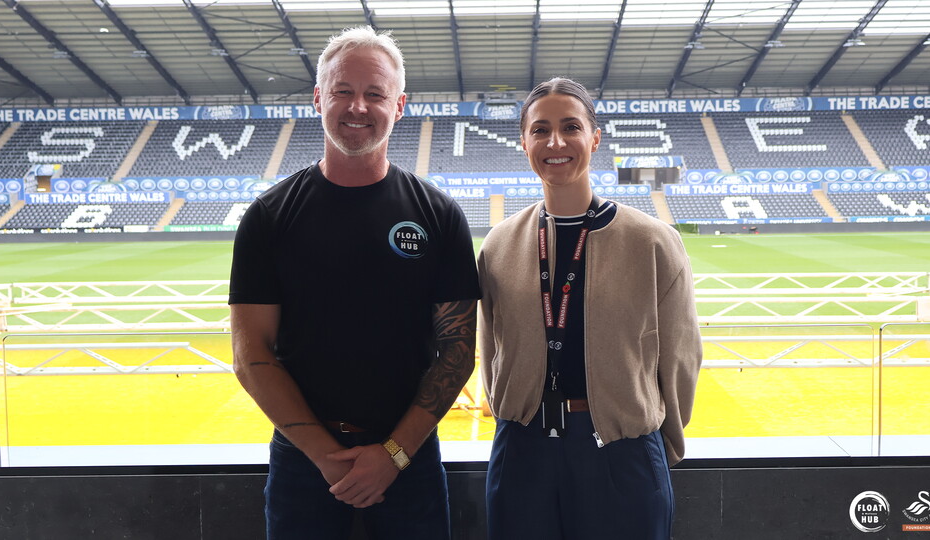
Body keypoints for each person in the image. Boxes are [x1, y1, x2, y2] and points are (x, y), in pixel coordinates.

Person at [229, 26, 480, 540]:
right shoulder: (268, 217)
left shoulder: (439, 216)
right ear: (319, 97)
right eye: (343, 90)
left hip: (410, 454)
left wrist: (393, 455)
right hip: (304, 461)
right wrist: (325, 456)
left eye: (375, 93)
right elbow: (250, 354)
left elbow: (458, 349)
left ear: (400, 104)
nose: (358, 107)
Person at [478, 77, 702, 539]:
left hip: (622, 449)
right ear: (523, 142)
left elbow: (681, 356)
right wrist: (509, 413)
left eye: (570, 127)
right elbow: (491, 347)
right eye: (540, 130)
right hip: (523, 448)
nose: (555, 142)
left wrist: (653, 441)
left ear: (594, 138)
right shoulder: (500, 244)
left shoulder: (653, 242)